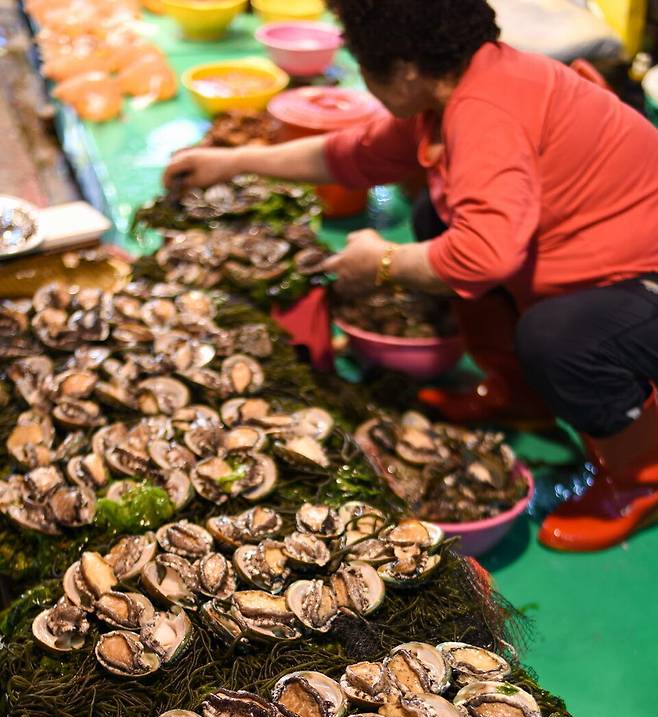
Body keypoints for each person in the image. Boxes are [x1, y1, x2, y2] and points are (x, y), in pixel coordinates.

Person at [164, 0, 658, 553]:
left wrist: (381, 262)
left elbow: (483, 258)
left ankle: (640, 478)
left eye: (366, 68)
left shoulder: (487, 110)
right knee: (433, 216)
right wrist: (234, 162)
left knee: (558, 339)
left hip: (645, 281)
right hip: (583, 258)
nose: (367, 83)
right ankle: (519, 396)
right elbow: (354, 154)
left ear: (403, 68)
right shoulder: (462, 81)